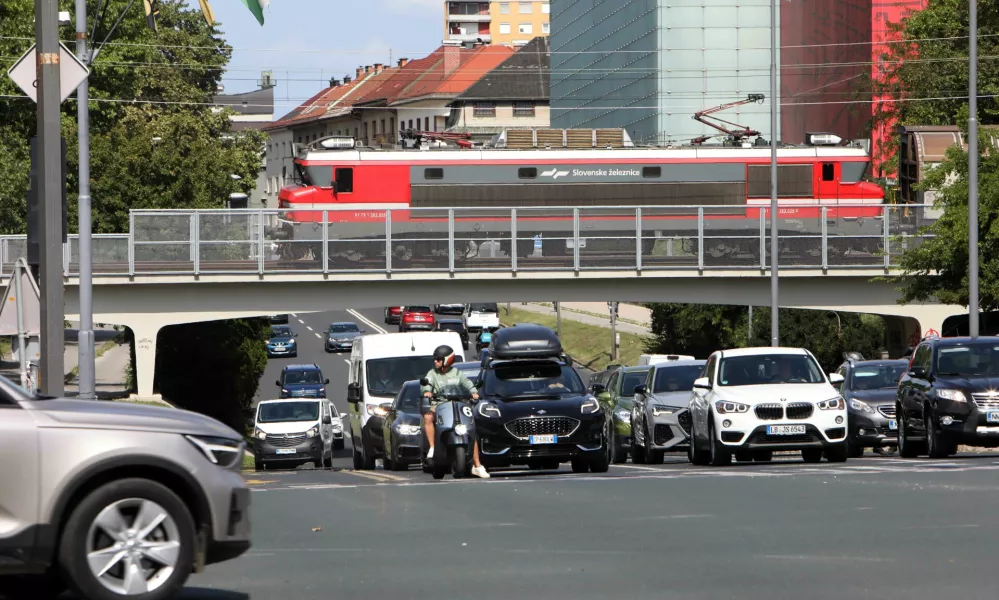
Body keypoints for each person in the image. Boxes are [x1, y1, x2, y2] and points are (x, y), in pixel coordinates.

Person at [421, 345, 490, 478]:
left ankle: (477, 465)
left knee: (470, 428)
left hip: (458, 404)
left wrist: (474, 392)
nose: (435, 361)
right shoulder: (432, 373)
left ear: (447, 360)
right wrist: (427, 392)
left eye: (438, 359)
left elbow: (467, 383)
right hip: (440, 405)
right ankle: (433, 447)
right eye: (435, 359)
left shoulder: (457, 373)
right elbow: (426, 383)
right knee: (428, 417)